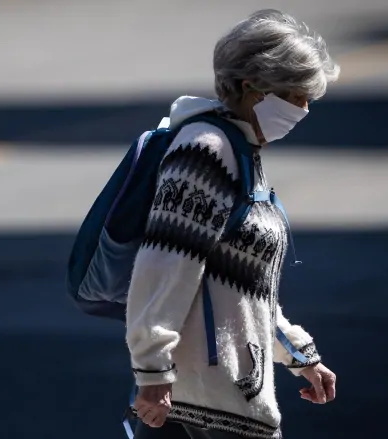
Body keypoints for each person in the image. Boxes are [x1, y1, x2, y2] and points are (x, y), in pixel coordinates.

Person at [125, 9, 339, 439]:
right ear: (252, 88)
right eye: (297, 95)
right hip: (202, 402)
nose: (305, 108)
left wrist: (298, 352)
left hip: (228, 394)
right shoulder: (206, 151)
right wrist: (151, 369)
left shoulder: (240, 152)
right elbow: (165, 264)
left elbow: (240, 281)